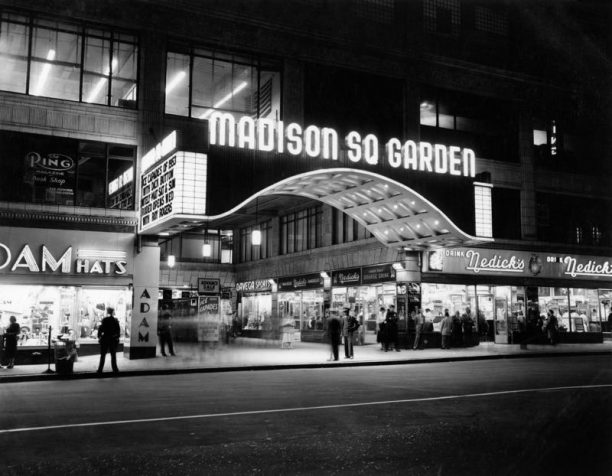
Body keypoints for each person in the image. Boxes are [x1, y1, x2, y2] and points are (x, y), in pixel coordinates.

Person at [97, 307, 120, 374]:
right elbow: (118, 330)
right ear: (112, 312)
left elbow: (100, 329)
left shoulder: (105, 319)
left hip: (105, 339)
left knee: (103, 355)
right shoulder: (115, 320)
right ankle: (115, 369)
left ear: (107, 312)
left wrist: (99, 337)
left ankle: (100, 369)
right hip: (112, 339)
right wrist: (117, 338)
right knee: (113, 355)